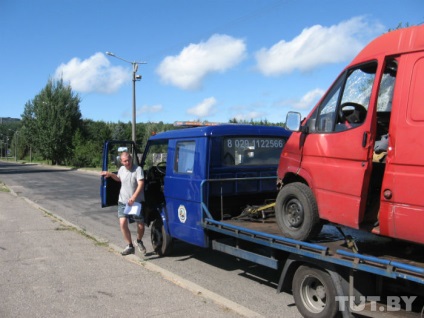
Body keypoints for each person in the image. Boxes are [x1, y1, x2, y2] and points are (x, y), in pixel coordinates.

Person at [101, 151, 147, 256]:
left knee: (140, 225)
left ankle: (139, 241)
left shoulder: (138, 169)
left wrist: (134, 197)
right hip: (123, 201)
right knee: (122, 223)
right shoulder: (121, 169)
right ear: (121, 162)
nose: (127, 162)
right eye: (125, 161)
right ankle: (130, 245)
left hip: (135, 203)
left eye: (128, 160)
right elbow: (119, 179)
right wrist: (110, 174)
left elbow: (141, 184)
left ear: (131, 159)